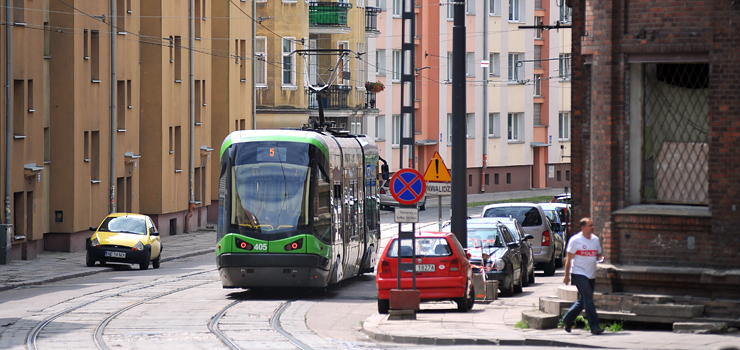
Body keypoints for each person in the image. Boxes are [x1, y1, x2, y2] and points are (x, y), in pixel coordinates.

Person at [562, 217, 605, 335]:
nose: (592, 228)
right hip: (578, 273)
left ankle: (568, 319)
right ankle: (594, 326)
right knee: (589, 300)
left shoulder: (595, 240)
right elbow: (568, 259)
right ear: (583, 227)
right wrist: (566, 276)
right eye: (590, 225)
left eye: (593, 225)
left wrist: (600, 258)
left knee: (583, 300)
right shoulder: (575, 240)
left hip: (591, 274)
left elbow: (598, 254)